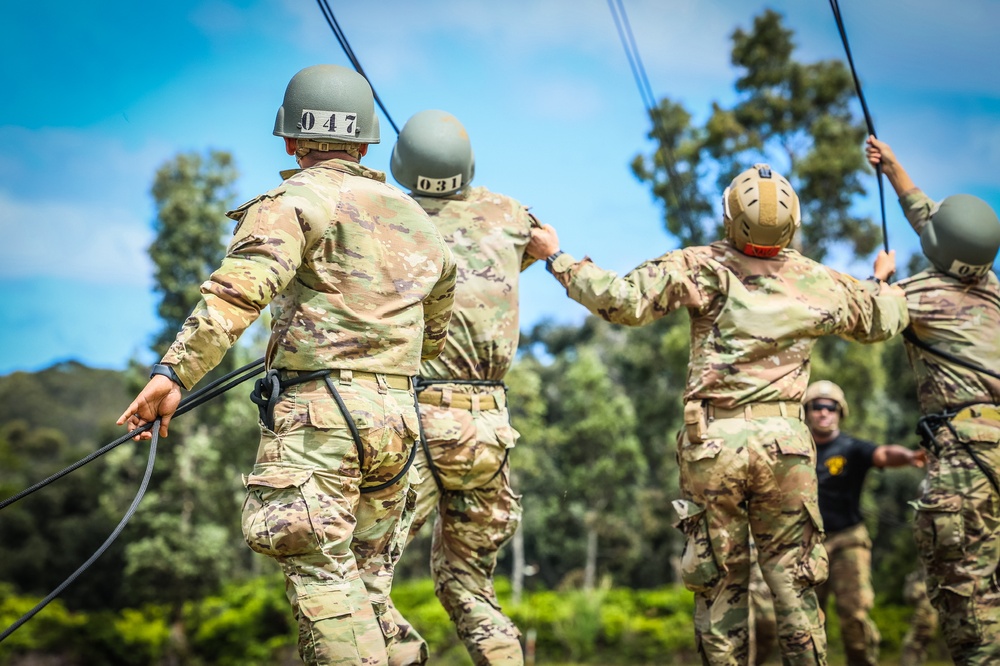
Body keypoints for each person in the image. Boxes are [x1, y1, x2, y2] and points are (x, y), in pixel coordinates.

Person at [117, 64, 457, 666]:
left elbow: (235, 295)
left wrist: (172, 376)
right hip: (398, 420)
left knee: (321, 574)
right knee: (365, 582)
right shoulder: (419, 221)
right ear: (365, 141)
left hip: (322, 419)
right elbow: (434, 332)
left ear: (291, 140)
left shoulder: (293, 202)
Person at [527, 163, 909, 666]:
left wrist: (556, 256)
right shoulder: (817, 279)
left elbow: (620, 301)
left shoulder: (700, 264)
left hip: (715, 443)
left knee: (719, 585)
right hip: (788, 448)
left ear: (730, 217)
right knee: (795, 587)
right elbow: (882, 320)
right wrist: (882, 283)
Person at [383, 109, 535, 666]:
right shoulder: (510, 214)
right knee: (468, 584)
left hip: (416, 416)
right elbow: (540, 245)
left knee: (361, 576)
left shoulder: (389, 216)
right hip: (488, 426)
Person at [867, 136, 1000, 666]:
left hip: (967, 457)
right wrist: (895, 168)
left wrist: (880, 283)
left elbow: (869, 322)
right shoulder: (990, 285)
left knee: (968, 598)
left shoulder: (918, 295)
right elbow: (939, 227)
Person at [804, 379, 926, 666]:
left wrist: (910, 456)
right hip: (806, 544)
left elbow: (883, 454)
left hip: (848, 540)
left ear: (840, 412)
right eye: (817, 407)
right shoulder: (794, 450)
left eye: (830, 407)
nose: (824, 412)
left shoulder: (851, 448)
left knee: (854, 615)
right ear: (807, 411)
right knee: (806, 621)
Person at [899, 566, 940, 666]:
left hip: (925, 615)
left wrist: (910, 583)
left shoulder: (924, 580)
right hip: (929, 616)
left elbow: (911, 596)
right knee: (919, 648)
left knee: (911, 646)